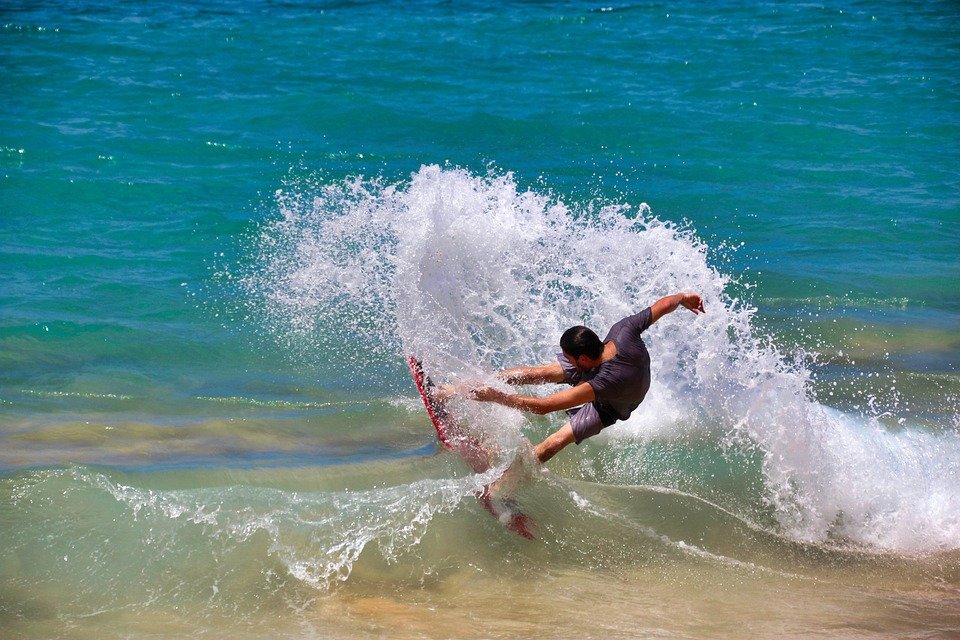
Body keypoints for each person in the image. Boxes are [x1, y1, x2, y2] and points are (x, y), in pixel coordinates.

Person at [469, 292, 705, 465]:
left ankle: (501, 490)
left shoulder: (603, 382)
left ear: (582, 359)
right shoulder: (623, 330)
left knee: (553, 444)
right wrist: (683, 298)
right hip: (613, 374)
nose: (564, 360)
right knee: (537, 374)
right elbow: (663, 305)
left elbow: (543, 407)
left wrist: (496, 397)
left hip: (610, 406)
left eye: (567, 357)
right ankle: (467, 386)